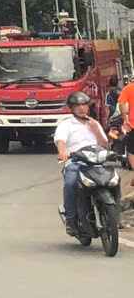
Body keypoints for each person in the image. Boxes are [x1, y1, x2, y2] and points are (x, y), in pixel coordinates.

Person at [54, 91, 109, 236]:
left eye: (84, 105)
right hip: (75, 162)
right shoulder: (66, 124)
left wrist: (96, 130)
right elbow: (61, 141)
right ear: (71, 108)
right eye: (77, 105)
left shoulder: (94, 123)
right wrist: (62, 152)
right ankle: (71, 220)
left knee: (113, 180)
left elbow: (104, 144)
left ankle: (115, 214)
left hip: (96, 162)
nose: (81, 108)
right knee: (70, 183)